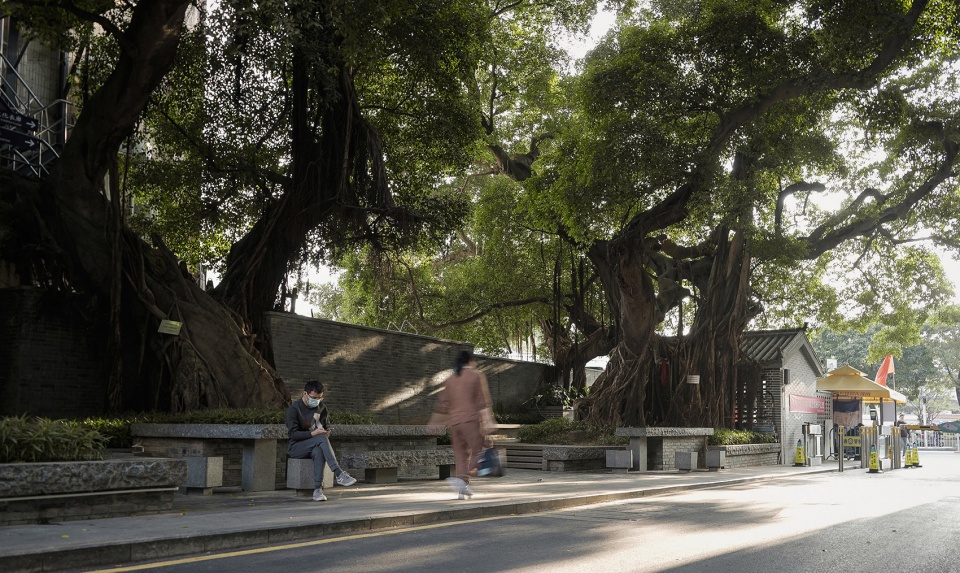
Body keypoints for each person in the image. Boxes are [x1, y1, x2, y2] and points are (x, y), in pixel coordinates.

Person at [431, 350, 494, 500]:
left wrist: (434, 422)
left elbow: (442, 404)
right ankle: (463, 478)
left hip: (455, 423)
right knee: (479, 449)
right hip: (470, 421)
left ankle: (462, 488)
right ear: (470, 361)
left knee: (461, 455)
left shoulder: (450, 379)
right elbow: (481, 402)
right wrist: (488, 421)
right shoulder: (476, 375)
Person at [286, 380, 357, 501]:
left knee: (319, 451)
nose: (316, 400)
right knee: (320, 438)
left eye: (319, 398)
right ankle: (338, 473)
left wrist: (326, 431)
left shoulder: (322, 408)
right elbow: (293, 434)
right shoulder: (294, 408)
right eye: (313, 397)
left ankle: (318, 490)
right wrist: (314, 434)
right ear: (305, 394)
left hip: (315, 444)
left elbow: (325, 426)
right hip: (297, 447)